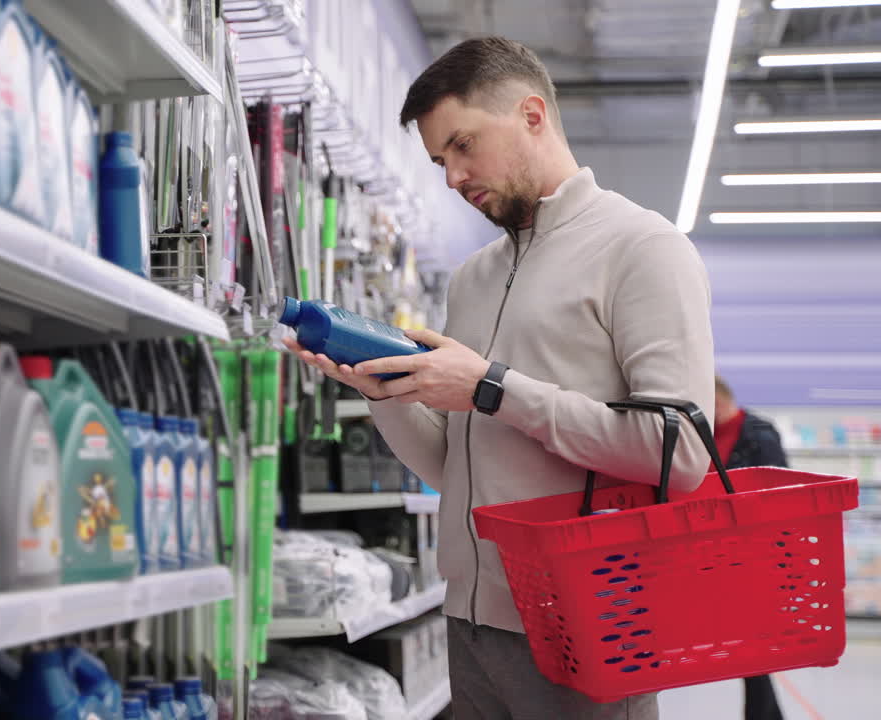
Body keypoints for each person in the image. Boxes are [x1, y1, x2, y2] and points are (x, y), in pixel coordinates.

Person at [285, 37, 715, 719]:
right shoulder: (473, 279)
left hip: (588, 623)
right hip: (471, 628)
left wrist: (492, 387)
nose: (451, 177)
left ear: (532, 115)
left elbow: (680, 454)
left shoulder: (642, 249)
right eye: (438, 161)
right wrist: (384, 394)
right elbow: (455, 468)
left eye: (463, 145)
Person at [712, 376, 788, 720]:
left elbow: (780, 490)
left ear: (717, 398)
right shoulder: (704, 436)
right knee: (748, 649)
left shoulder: (759, 433)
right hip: (716, 553)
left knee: (753, 649)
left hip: (754, 553)